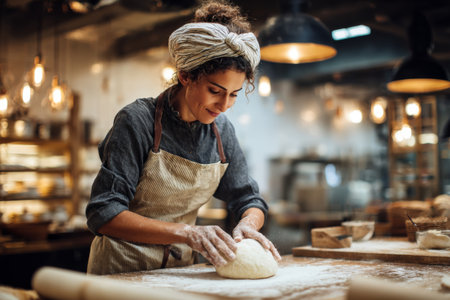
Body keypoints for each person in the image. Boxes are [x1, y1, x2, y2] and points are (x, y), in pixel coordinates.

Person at [85, 0, 281, 275]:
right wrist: (188, 233)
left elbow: (249, 199)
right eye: (215, 90)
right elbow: (103, 213)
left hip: (180, 272)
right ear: (186, 76)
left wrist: (248, 223)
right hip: (121, 272)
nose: (224, 105)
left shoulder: (222, 132)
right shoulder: (137, 121)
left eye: (234, 94)